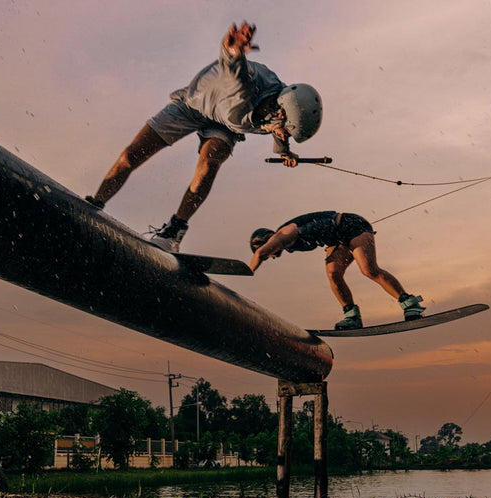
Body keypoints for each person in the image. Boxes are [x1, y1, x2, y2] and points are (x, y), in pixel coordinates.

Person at [85, 22, 322, 252]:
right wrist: (233, 49)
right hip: (193, 106)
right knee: (132, 155)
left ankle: (174, 232)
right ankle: (95, 204)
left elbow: (281, 133)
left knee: (210, 162)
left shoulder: (280, 111)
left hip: (225, 124)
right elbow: (235, 67)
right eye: (286, 131)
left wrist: (285, 152)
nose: (283, 135)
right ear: (279, 113)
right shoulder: (244, 88)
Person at [248, 211, 425, 330]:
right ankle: (352, 317)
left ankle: (410, 303)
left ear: (266, 241)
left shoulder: (282, 235)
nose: (271, 257)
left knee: (368, 270)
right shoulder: (285, 243)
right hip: (336, 240)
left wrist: (248, 270)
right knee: (333, 274)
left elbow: (260, 253)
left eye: (268, 252)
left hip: (351, 225)